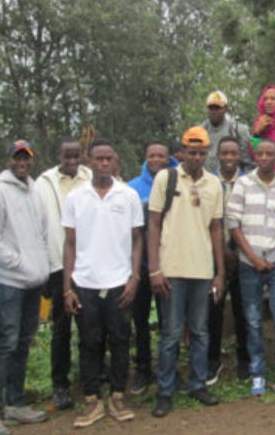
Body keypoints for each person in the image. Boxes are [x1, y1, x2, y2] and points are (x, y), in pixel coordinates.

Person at [62, 139, 143, 428]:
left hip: (120, 282)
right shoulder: (75, 197)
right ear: (89, 160)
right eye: (98, 159)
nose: (104, 163)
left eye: (109, 158)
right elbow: (69, 244)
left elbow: (137, 240)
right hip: (85, 282)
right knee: (89, 342)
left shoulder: (128, 195)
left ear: (115, 160)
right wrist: (67, 288)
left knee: (120, 341)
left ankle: (118, 396)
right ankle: (92, 400)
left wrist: (134, 278)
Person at [147, 127, 225, 417]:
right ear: (182, 152)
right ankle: (165, 392)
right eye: (191, 152)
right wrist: (154, 269)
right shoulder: (166, 179)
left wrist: (219, 272)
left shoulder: (214, 184)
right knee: (170, 333)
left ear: (207, 153)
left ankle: (198, 384)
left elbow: (216, 229)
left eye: (202, 152)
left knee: (201, 331)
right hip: (171, 268)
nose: (196, 157)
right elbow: (153, 224)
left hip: (202, 269)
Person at [0, 139, 50, 435]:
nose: (21, 163)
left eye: (26, 158)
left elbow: (43, 233)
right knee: (6, 343)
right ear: (9, 160)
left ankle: (16, 403)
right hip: (10, 282)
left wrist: (41, 266)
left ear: (31, 160)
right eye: (16, 158)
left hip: (35, 281)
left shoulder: (35, 191)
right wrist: (21, 264)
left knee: (23, 342)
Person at [227, 139, 275, 397]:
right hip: (249, 264)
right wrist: (253, 258)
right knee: (253, 321)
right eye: (260, 153)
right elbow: (233, 225)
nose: (265, 157)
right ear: (254, 156)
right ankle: (257, 373)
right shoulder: (243, 185)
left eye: (270, 153)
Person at [35, 137, 92, 410]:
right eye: (66, 156)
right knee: (61, 328)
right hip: (58, 266)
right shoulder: (44, 183)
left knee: (89, 325)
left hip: (89, 265)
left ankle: (90, 377)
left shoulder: (90, 177)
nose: (71, 162)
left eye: (76, 157)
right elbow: (39, 227)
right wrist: (45, 267)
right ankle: (60, 385)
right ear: (58, 154)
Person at [127, 141, 178, 394]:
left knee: (170, 322)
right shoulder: (133, 188)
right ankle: (143, 369)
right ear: (145, 158)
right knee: (141, 322)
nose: (156, 159)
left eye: (161, 155)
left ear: (169, 159)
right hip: (142, 267)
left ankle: (170, 369)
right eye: (151, 155)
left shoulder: (178, 182)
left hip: (170, 266)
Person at [206, 136, 250, 384]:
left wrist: (237, 250)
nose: (229, 158)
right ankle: (213, 361)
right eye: (224, 153)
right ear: (218, 155)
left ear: (239, 155)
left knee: (243, 312)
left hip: (243, 256)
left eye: (233, 153)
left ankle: (245, 361)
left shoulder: (248, 182)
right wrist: (221, 251)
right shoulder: (208, 182)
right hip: (214, 256)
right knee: (213, 311)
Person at [201, 90, 254, 173]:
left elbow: (248, 163)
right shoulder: (200, 131)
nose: (214, 111)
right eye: (211, 108)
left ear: (226, 109)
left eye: (218, 108)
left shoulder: (238, 130)